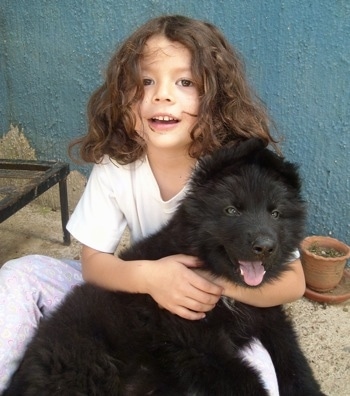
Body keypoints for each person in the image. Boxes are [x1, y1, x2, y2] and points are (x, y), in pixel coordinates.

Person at [0, 15, 305, 393]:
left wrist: (216, 284)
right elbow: (94, 264)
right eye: (146, 81)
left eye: (185, 82)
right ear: (123, 97)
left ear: (216, 99)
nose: (162, 94)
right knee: (20, 275)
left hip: (208, 315)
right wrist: (152, 278)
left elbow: (293, 282)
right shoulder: (118, 163)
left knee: (261, 380)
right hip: (130, 292)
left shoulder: (238, 172)